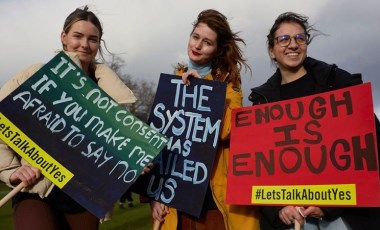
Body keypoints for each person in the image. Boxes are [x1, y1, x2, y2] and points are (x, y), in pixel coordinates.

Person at [0, 5, 137, 230]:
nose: (84, 44)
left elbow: (123, 147)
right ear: (64, 37)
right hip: (36, 189)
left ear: (98, 45)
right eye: (78, 36)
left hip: (85, 197)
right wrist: (10, 170)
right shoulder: (34, 76)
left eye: (93, 39)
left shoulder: (111, 94)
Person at [248, 11, 380, 230]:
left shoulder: (339, 83)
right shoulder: (262, 102)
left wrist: (331, 205)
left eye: (300, 38)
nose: (293, 44)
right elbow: (255, 169)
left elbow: (371, 145)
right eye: (284, 39)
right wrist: (278, 208)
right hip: (290, 217)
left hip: (343, 215)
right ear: (272, 51)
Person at [150, 9, 260, 230]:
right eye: (195, 37)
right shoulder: (173, 83)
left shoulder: (229, 84)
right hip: (175, 204)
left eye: (207, 42)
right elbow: (159, 141)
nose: (198, 45)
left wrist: (203, 91)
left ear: (218, 49)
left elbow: (228, 130)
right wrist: (155, 195)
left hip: (212, 204)